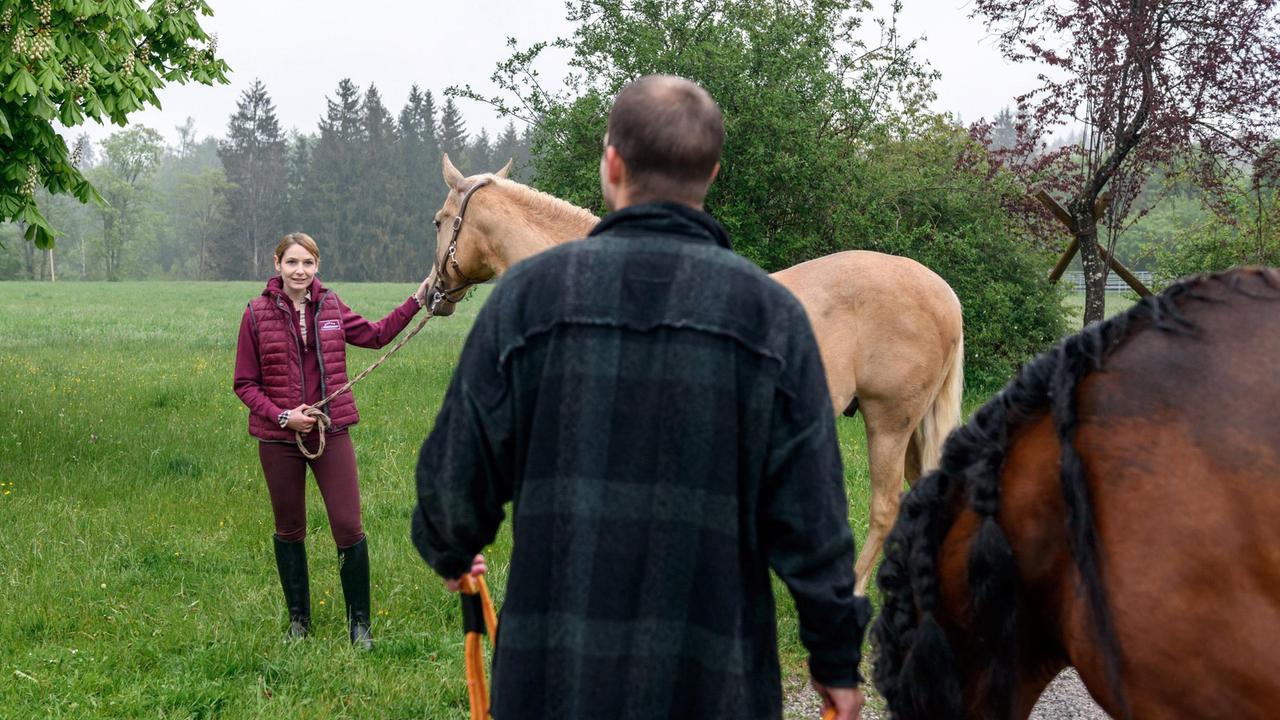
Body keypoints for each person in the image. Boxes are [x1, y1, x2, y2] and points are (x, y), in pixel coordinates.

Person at [411, 76, 870, 718]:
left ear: (612, 164)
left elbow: (453, 482)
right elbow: (813, 514)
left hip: (553, 679)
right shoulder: (770, 316)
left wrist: (450, 546)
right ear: (710, 174)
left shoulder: (528, 300)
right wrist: (835, 660)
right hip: (714, 684)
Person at [234, 232, 429, 650]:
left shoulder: (332, 307)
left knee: (348, 525)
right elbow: (244, 383)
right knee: (289, 529)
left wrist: (417, 300)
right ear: (277, 265)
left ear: (317, 266)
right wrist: (284, 416)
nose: (300, 270)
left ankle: (360, 626)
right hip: (278, 438)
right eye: (292, 263)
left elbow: (376, 335)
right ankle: (299, 623)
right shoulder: (255, 314)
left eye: (307, 263)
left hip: (331, 430)